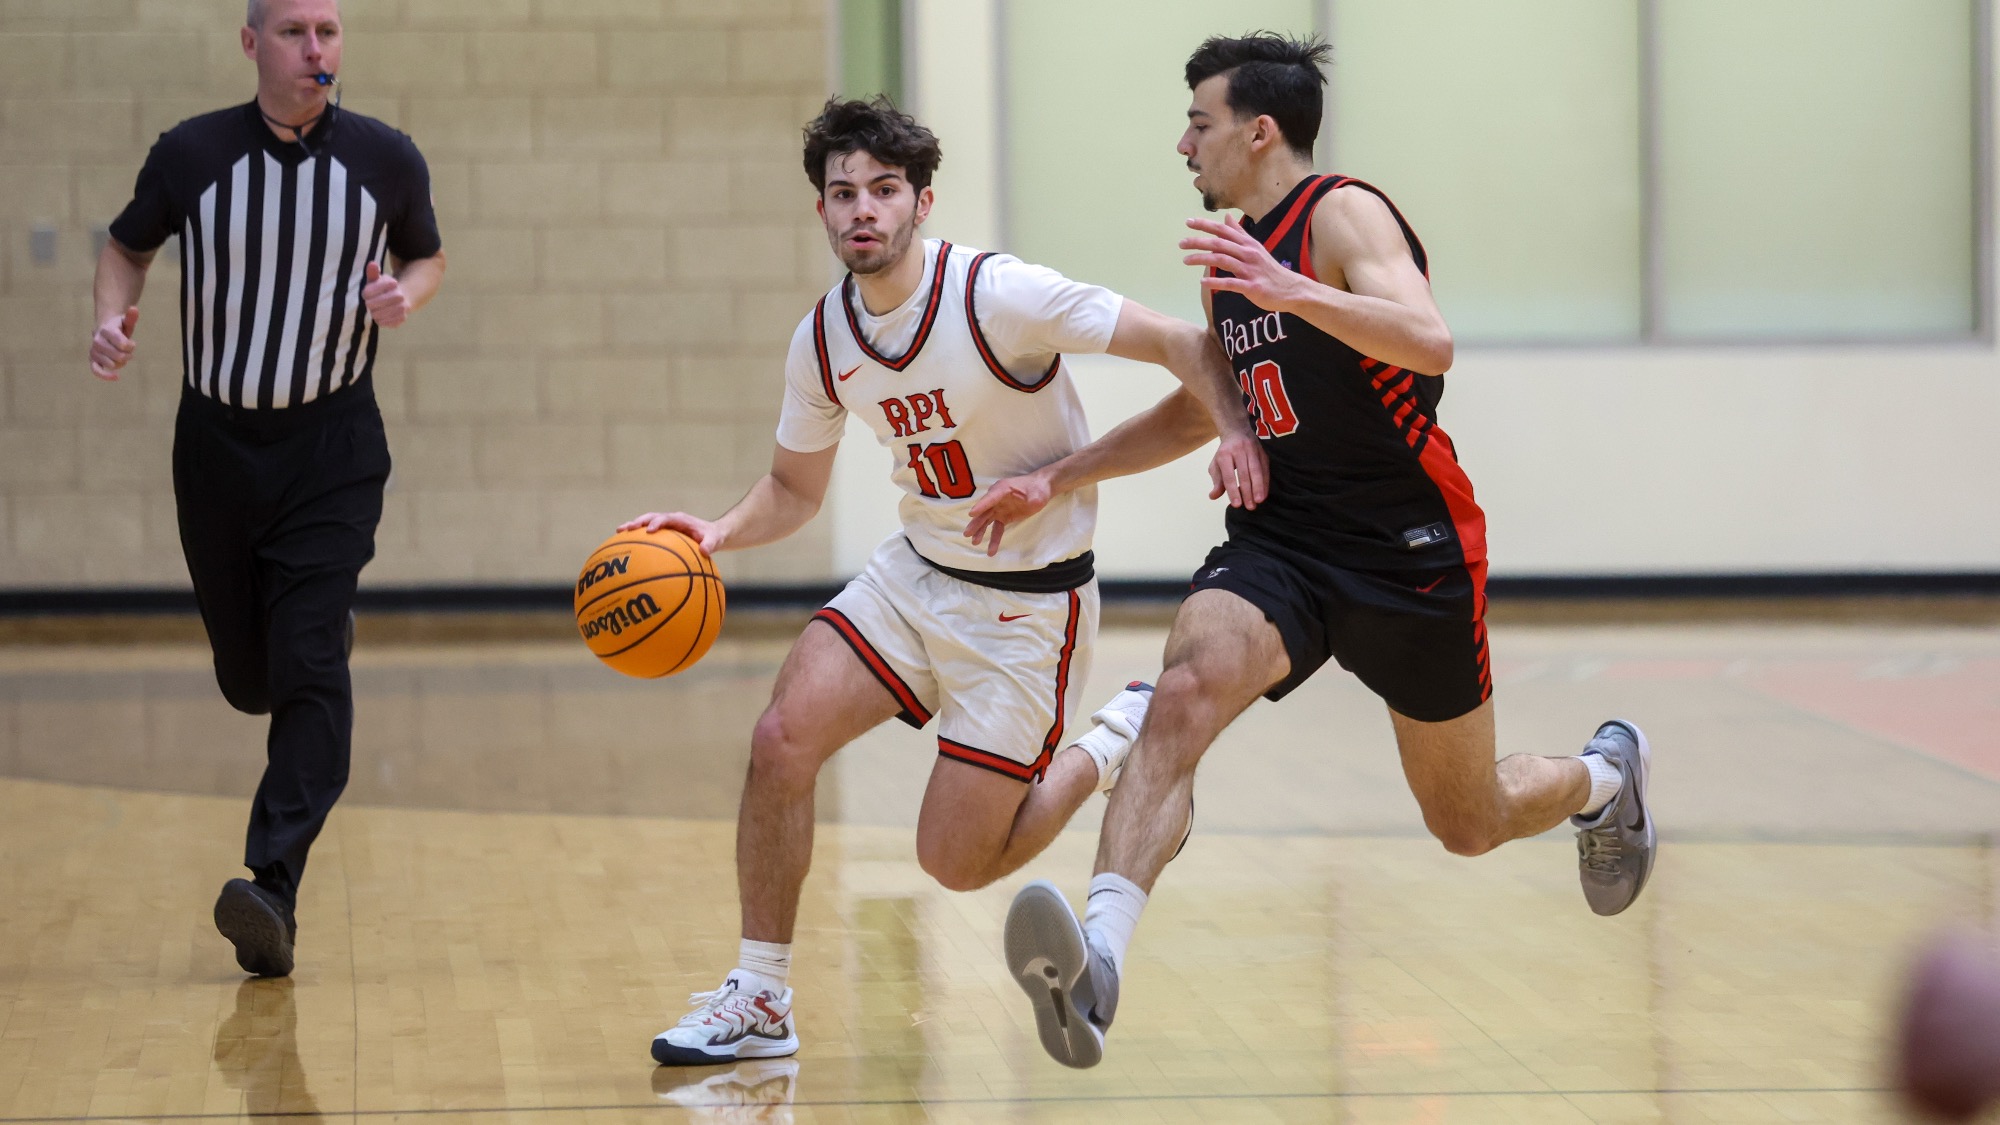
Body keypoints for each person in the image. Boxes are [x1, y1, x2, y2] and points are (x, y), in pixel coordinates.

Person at [982, 33, 1656, 1069]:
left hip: (1408, 545)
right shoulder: (1229, 261)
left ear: (1258, 131)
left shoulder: (1342, 213)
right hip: (1283, 544)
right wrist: (1061, 475)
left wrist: (1288, 289)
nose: (1181, 143)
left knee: (1466, 821)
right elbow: (1200, 404)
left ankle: (1602, 777)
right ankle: (1099, 964)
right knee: (1184, 688)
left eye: (1197, 122)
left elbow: (1426, 341)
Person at [621, 96, 1264, 1066]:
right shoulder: (825, 339)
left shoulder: (998, 296)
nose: (862, 211)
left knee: (953, 862)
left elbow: (1185, 344)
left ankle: (1111, 738)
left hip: (1026, 609)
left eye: (883, 190)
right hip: (913, 576)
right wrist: (715, 533)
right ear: (822, 212)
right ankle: (758, 997)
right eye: (843, 194)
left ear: (921, 201)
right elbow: (794, 489)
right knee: (779, 738)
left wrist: (1234, 431)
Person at [88, 0, 445, 978]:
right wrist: (114, 318)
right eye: (293, 32)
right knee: (252, 679)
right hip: (214, 446)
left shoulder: (385, 159)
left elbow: (426, 253)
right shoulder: (193, 154)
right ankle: (303, 643)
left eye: (328, 31)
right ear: (252, 44)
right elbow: (126, 247)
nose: (315, 49)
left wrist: (402, 296)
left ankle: (270, 885)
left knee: (309, 671)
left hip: (332, 446)